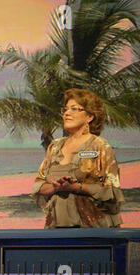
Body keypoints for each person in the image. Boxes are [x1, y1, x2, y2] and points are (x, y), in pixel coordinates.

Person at [31, 88, 125, 228]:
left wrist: (77, 187)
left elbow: (111, 190)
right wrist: (55, 187)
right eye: (66, 109)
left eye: (74, 109)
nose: (67, 113)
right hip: (56, 227)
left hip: (93, 229)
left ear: (89, 117)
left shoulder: (99, 146)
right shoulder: (55, 147)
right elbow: (39, 186)